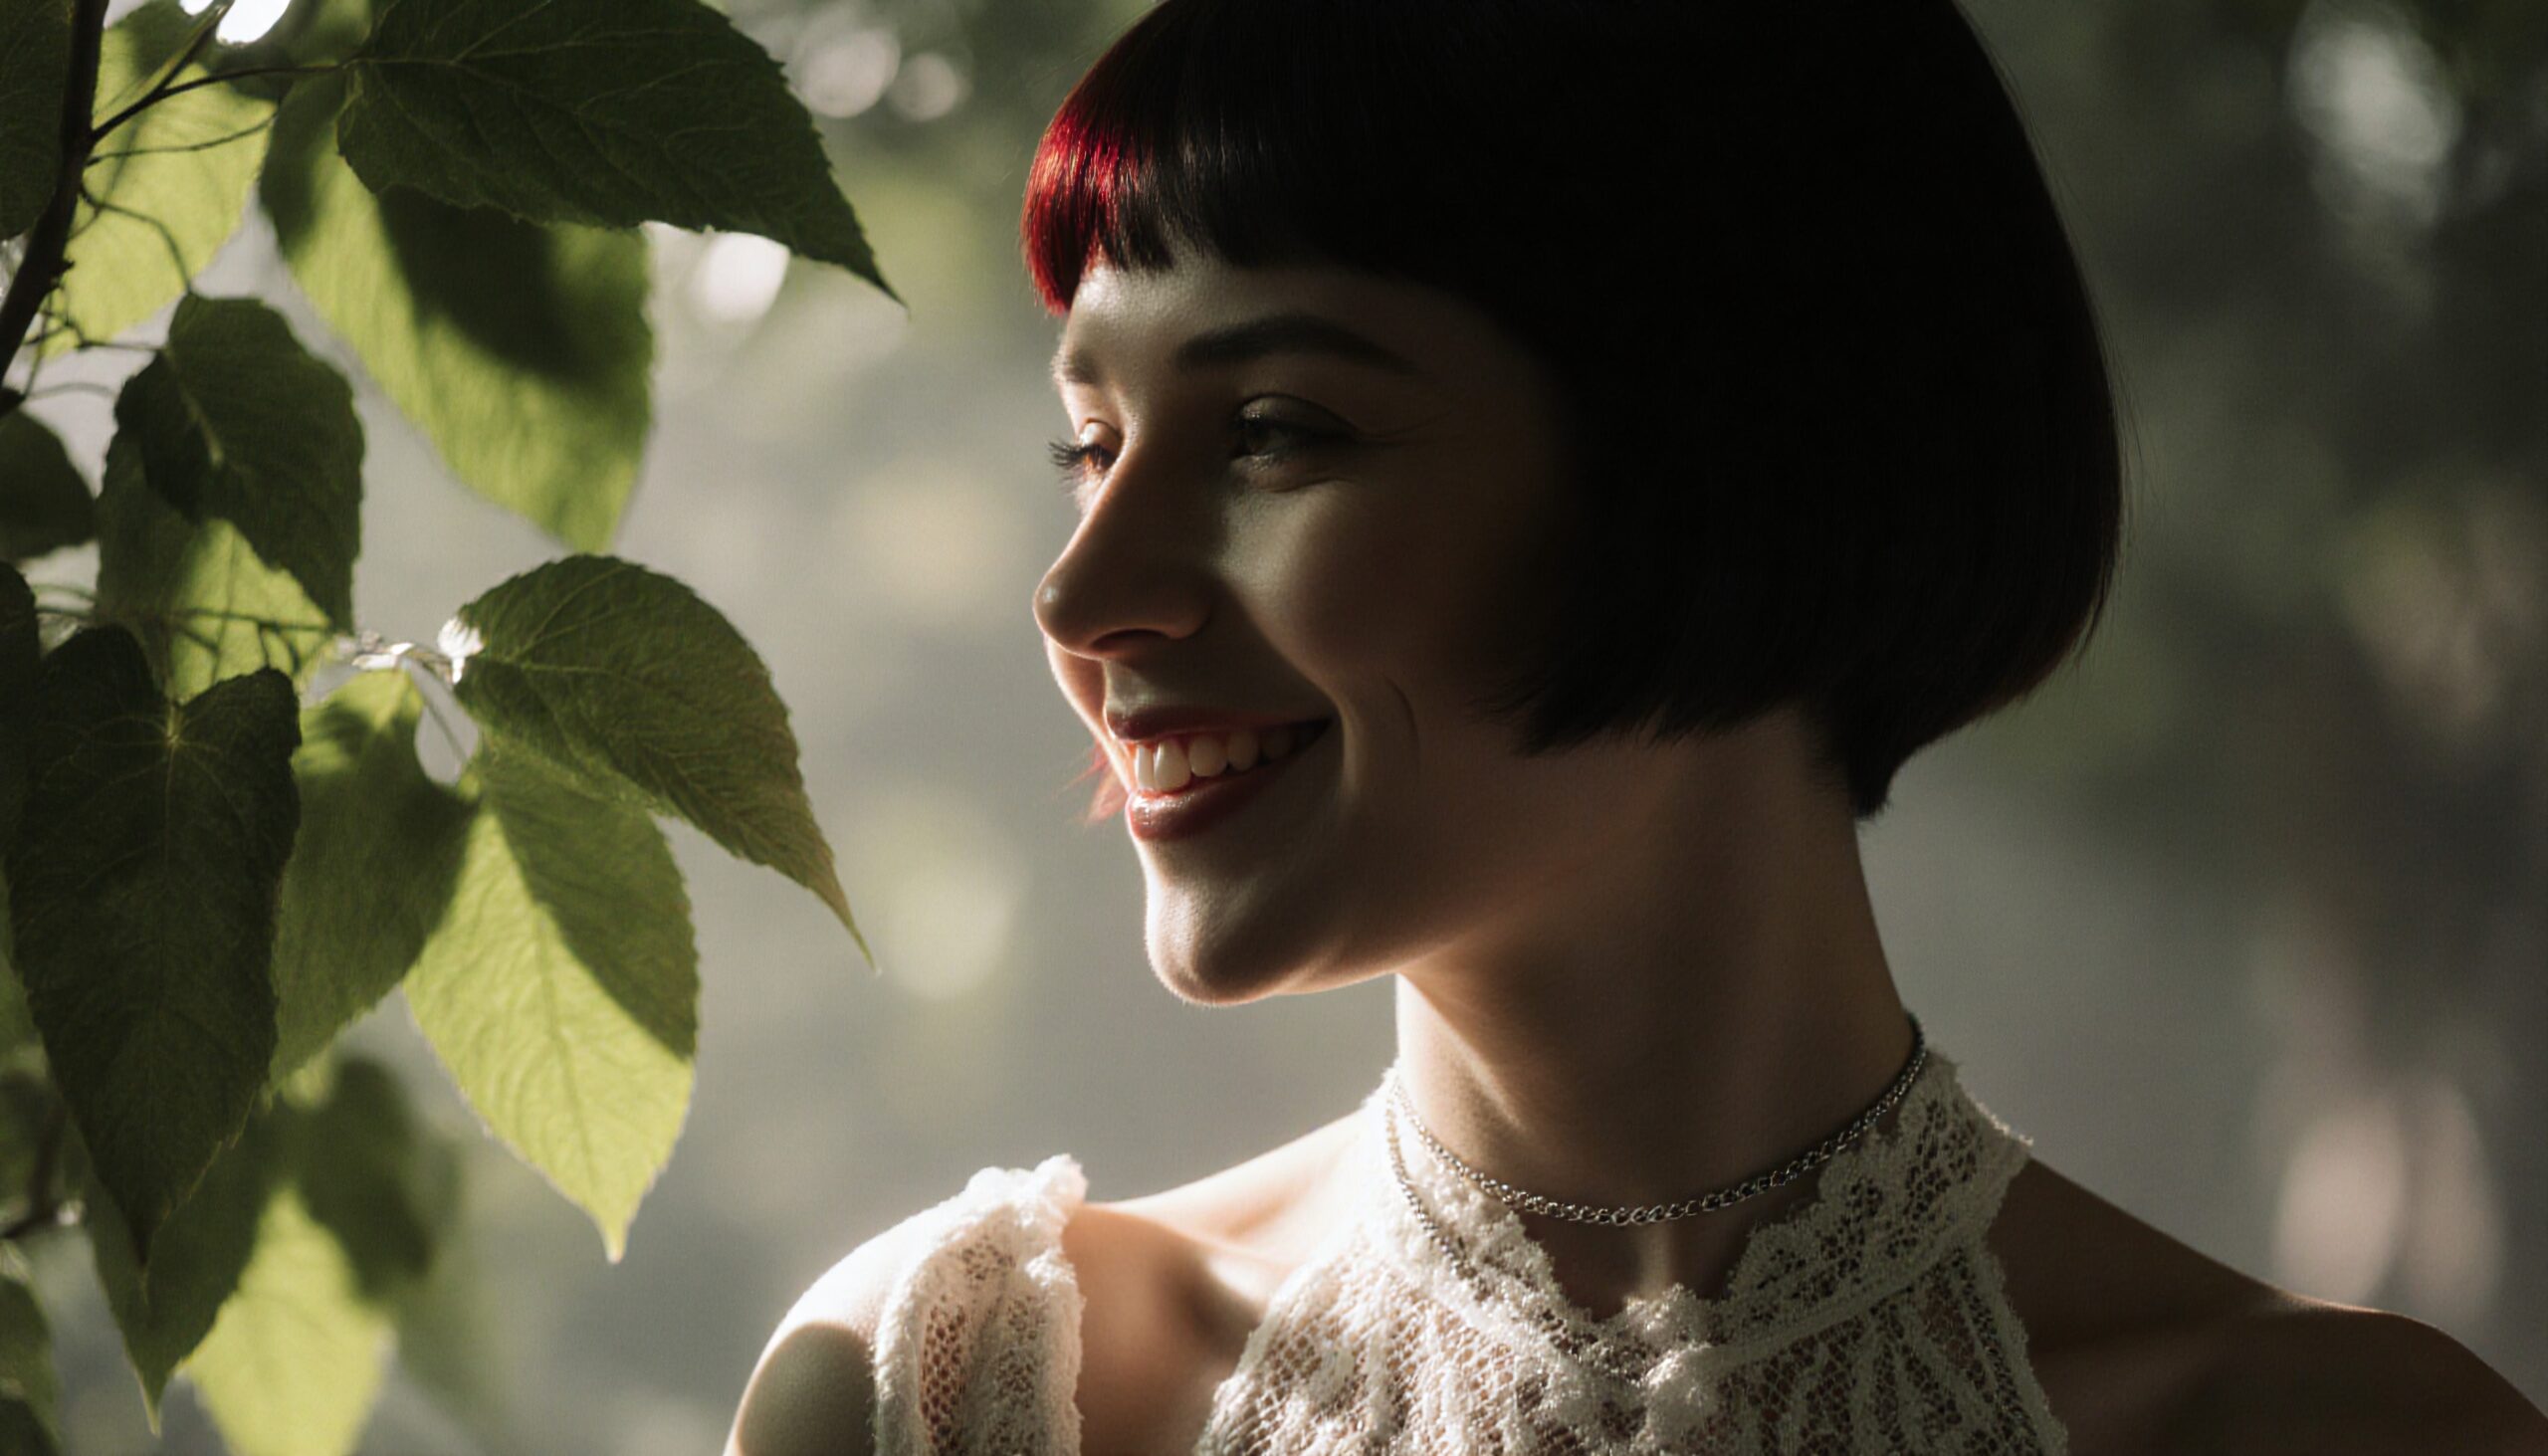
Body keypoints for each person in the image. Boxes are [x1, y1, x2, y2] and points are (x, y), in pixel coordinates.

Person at [726, 1, 2548, 1450]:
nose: (1078, 598)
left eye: (1274, 431)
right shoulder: (945, 1400)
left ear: (1737, 461)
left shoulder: (2343, 1437)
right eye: (1092, 447)